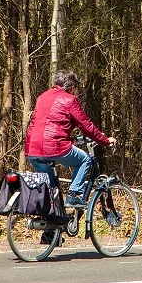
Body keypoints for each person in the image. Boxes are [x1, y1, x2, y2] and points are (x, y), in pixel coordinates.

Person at [25, 70, 116, 208]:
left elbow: (42, 123)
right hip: (54, 147)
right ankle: (73, 195)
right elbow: (86, 125)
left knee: (52, 190)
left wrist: (70, 138)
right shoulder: (69, 99)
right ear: (72, 87)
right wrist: (104, 140)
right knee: (85, 160)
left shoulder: (42, 96)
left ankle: (52, 226)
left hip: (32, 149)